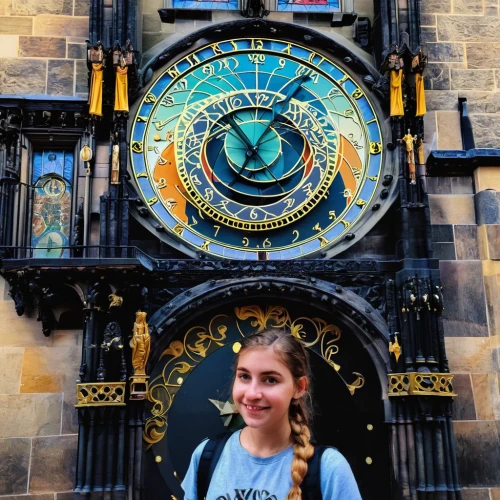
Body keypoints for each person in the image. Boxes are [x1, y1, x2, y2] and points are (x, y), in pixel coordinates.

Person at [182, 328, 362, 499]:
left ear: (299, 388)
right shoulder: (206, 456)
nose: (252, 394)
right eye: (244, 376)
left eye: (270, 380)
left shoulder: (329, 469)